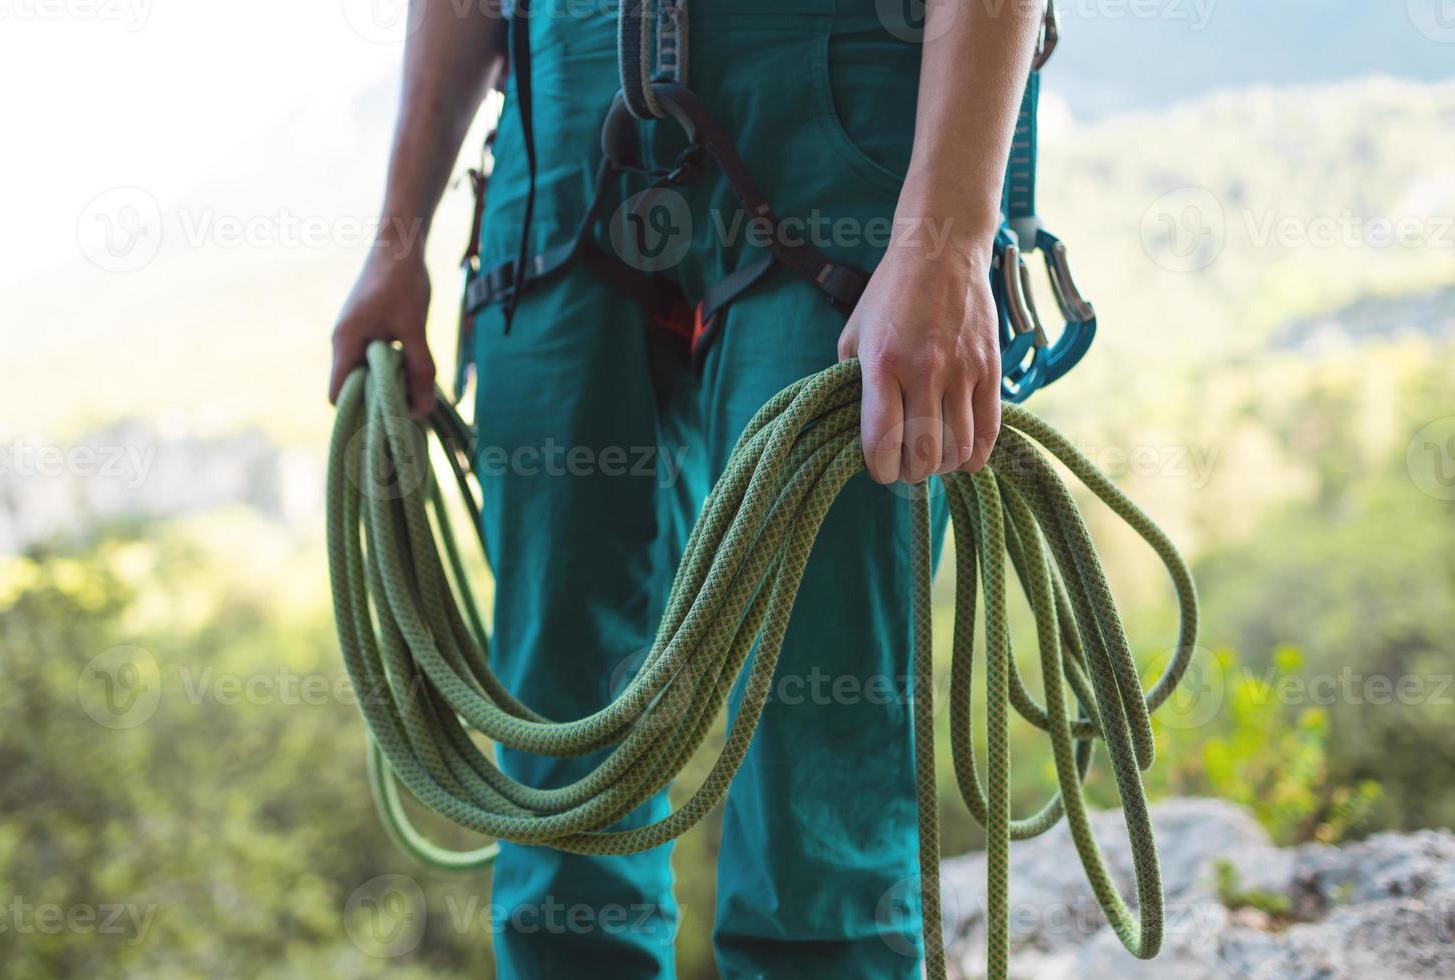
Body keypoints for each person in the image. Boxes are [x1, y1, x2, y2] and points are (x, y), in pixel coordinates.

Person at [329, 1, 1045, 975]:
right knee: (558, 751)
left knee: (822, 740)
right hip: (558, 105)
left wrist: (949, 237)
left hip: (846, 84)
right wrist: (396, 238)